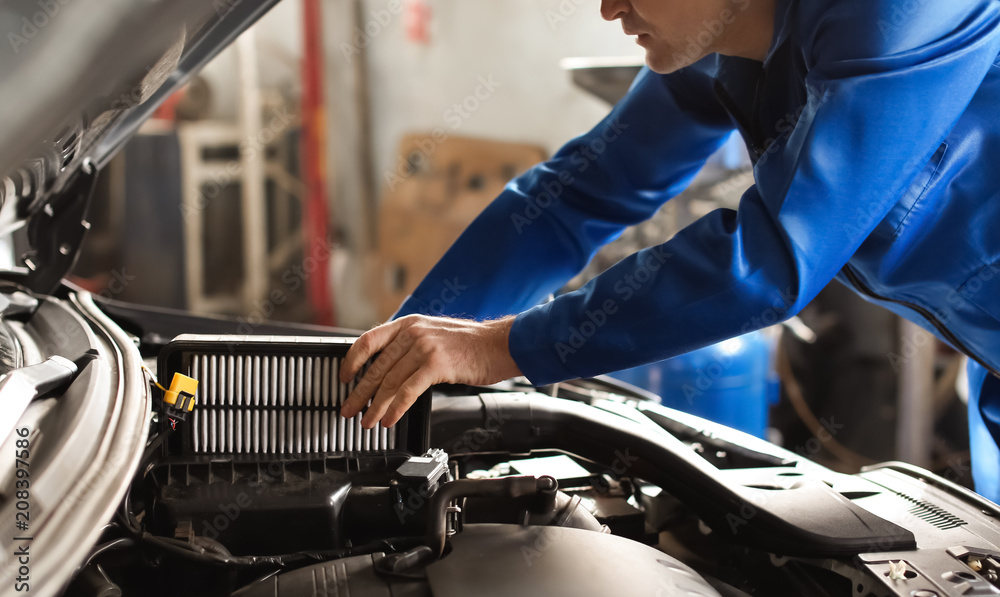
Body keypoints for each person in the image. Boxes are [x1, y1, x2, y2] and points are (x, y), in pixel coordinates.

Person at [339, 0, 1000, 502]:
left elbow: (769, 261)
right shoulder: (723, 42)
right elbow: (582, 192)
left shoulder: (900, 12)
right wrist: (401, 362)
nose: (607, 7)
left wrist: (498, 347)